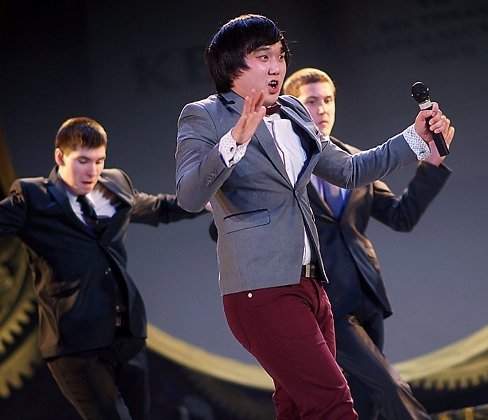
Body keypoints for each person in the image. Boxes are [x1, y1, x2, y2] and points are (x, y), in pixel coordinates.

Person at [175, 14, 452, 420]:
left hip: (312, 284)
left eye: (280, 56)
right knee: (333, 404)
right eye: (264, 57)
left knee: (295, 406)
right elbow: (188, 196)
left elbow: (350, 170)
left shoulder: (291, 110)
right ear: (233, 64)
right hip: (261, 289)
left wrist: (416, 138)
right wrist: (234, 141)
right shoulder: (204, 115)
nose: (276, 66)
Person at [0, 117, 201, 419]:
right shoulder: (32, 197)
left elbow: (159, 208)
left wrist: (203, 201)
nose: (92, 171)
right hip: (76, 343)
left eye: (99, 161)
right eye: (82, 161)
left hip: (126, 334)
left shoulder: (114, 184)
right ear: (60, 157)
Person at [282, 67, 452, 419]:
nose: (322, 109)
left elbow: (401, 217)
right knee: (389, 386)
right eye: (311, 101)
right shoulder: (283, 166)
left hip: (367, 296)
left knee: (363, 403)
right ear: (292, 108)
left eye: (328, 100)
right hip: (324, 302)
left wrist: (431, 166)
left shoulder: (355, 160)